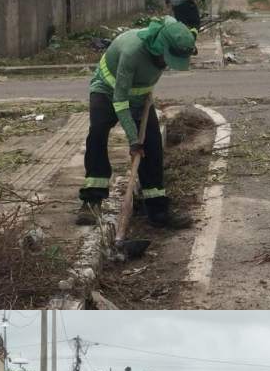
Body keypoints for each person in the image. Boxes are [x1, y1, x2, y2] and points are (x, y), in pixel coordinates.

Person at [78, 17, 195, 228]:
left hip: (140, 99)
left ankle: (157, 209)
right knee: (97, 134)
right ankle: (91, 201)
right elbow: (120, 100)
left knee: (152, 143)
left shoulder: (167, 40)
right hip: (107, 91)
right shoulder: (132, 53)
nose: (168, 64)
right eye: (168, 58)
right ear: (160, 47)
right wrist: (133, 140)